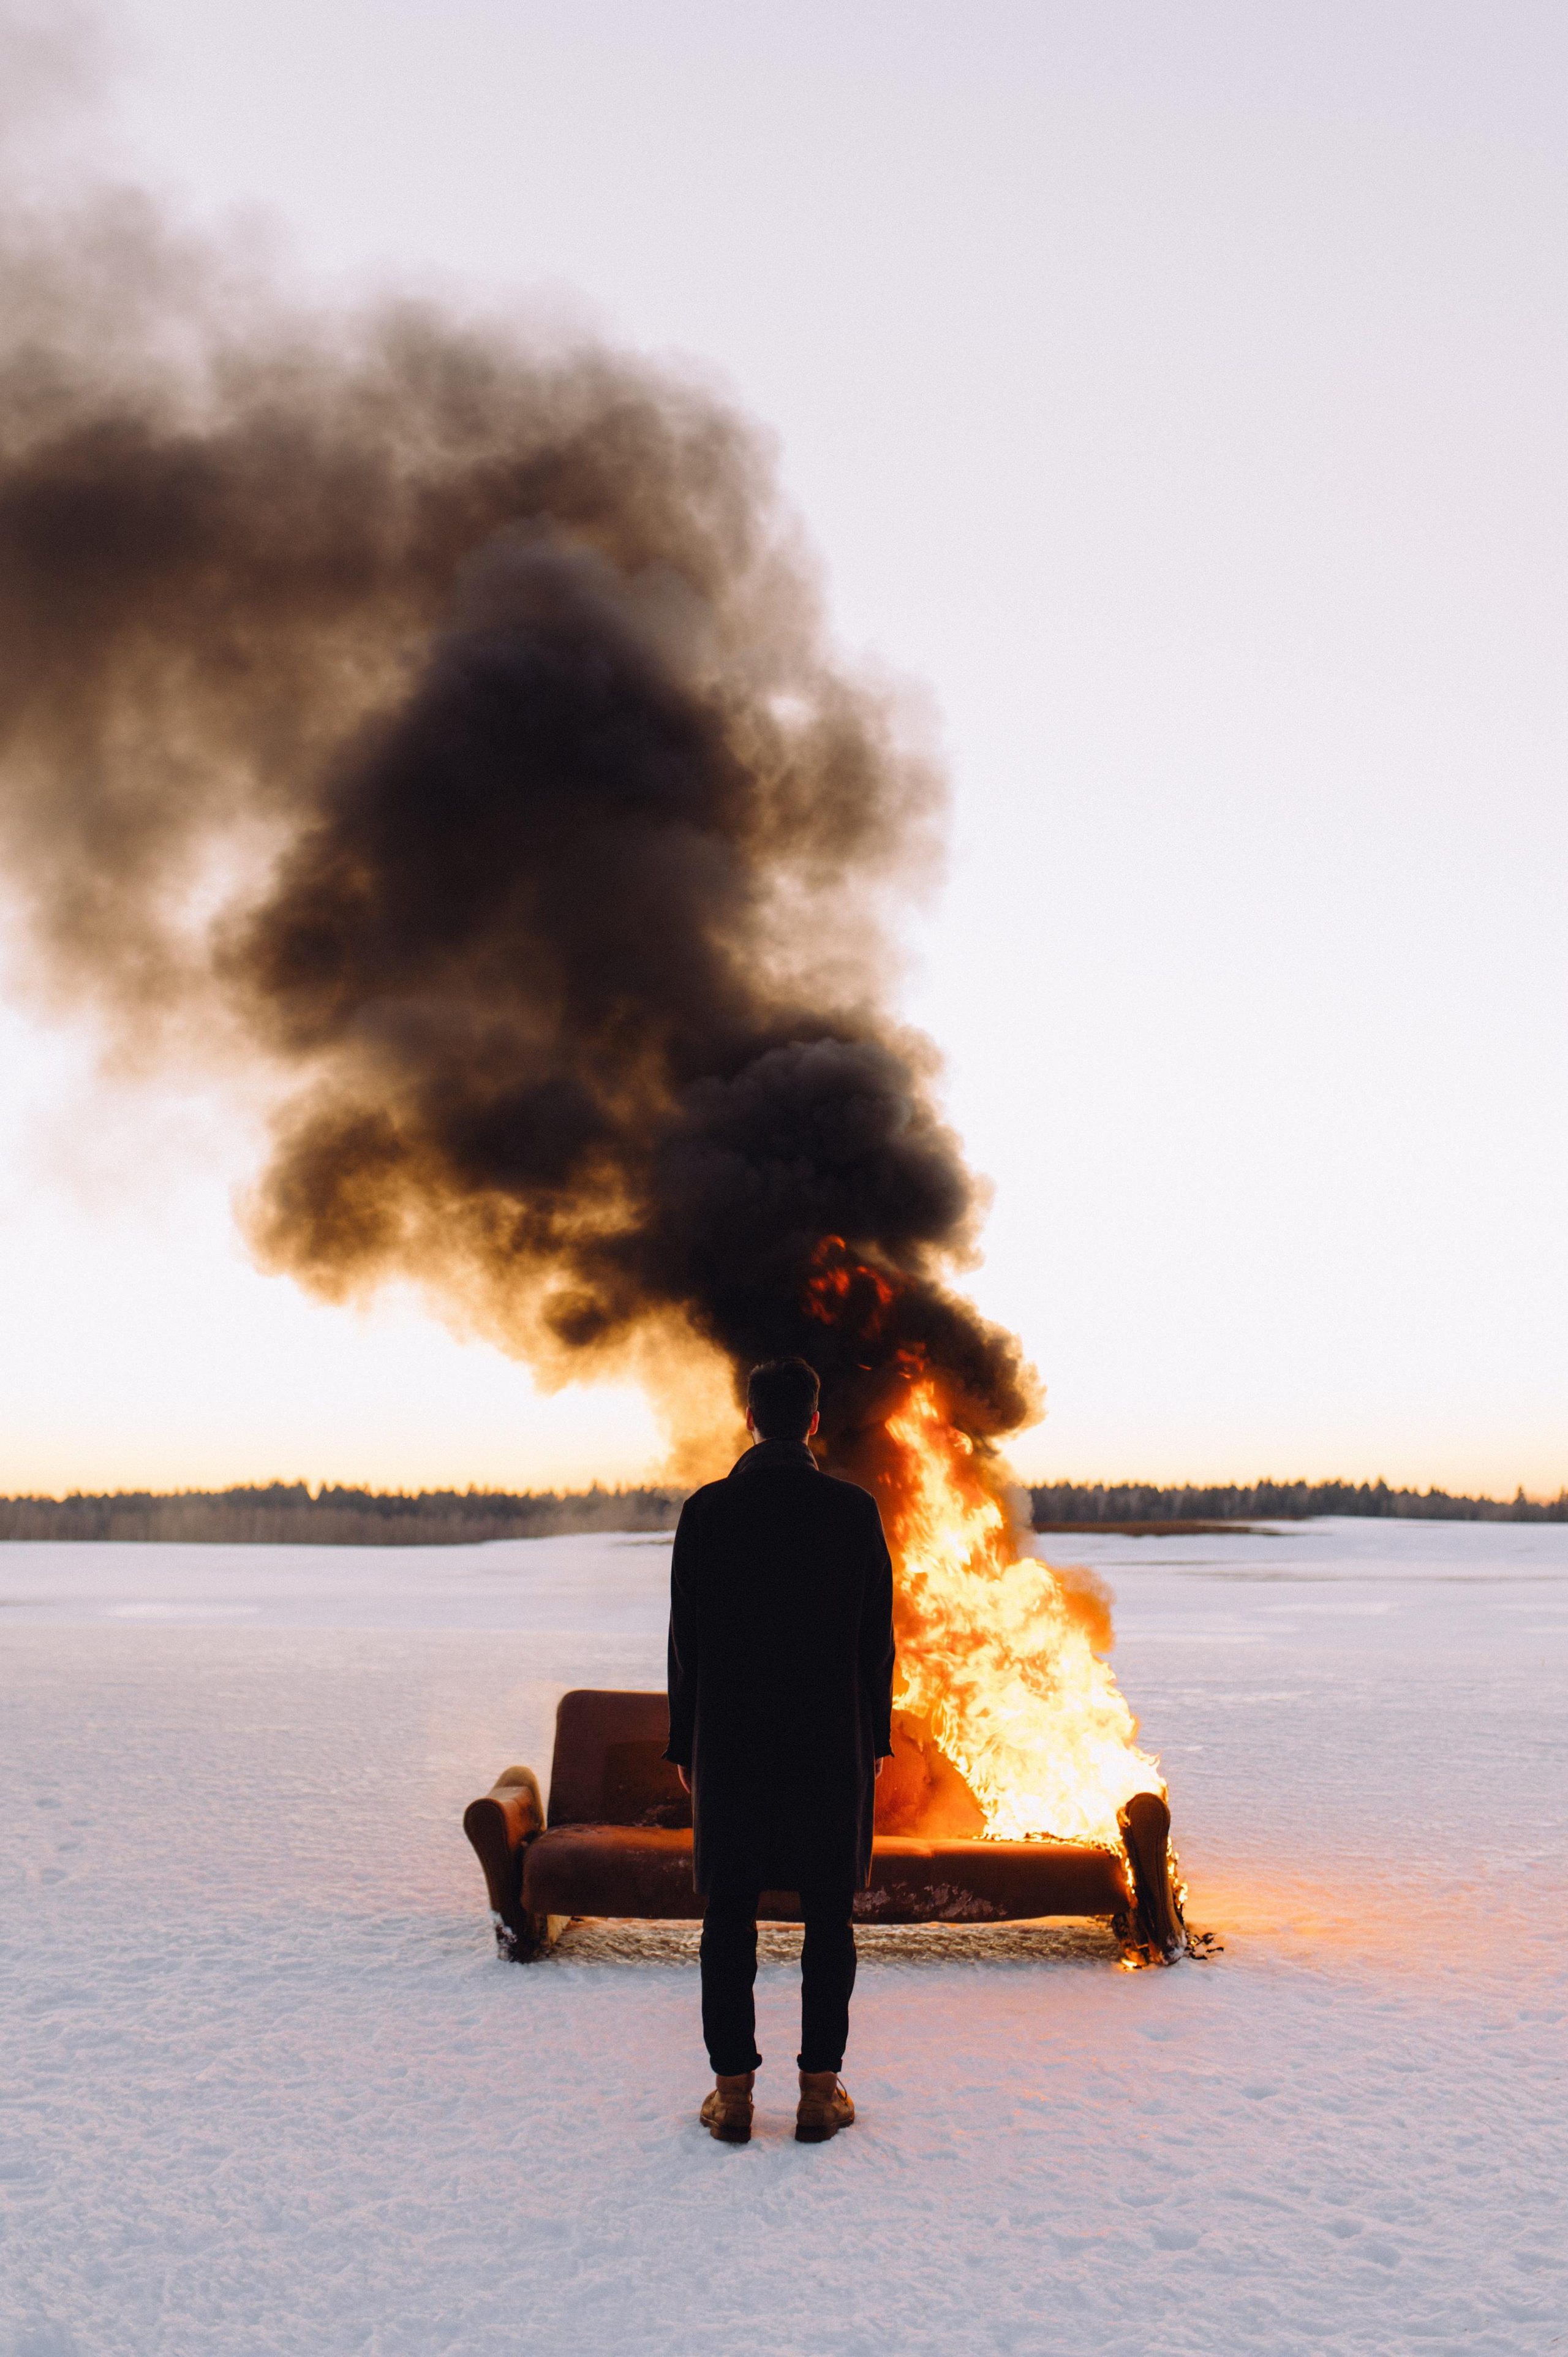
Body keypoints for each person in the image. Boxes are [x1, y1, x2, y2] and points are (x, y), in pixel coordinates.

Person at [665, 1355, 895, 2146]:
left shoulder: (708, 1512)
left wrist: (685, 1744)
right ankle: (817, 2094)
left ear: (751, 1419)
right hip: (829, 1744)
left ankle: (732, 2097)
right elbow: (876, 1644)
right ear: (814, 1422)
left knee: (728, 1916)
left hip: (731, 1744)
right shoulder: (853, 1510)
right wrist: (873, 1741)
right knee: (829, 1916)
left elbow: (686, 1646)